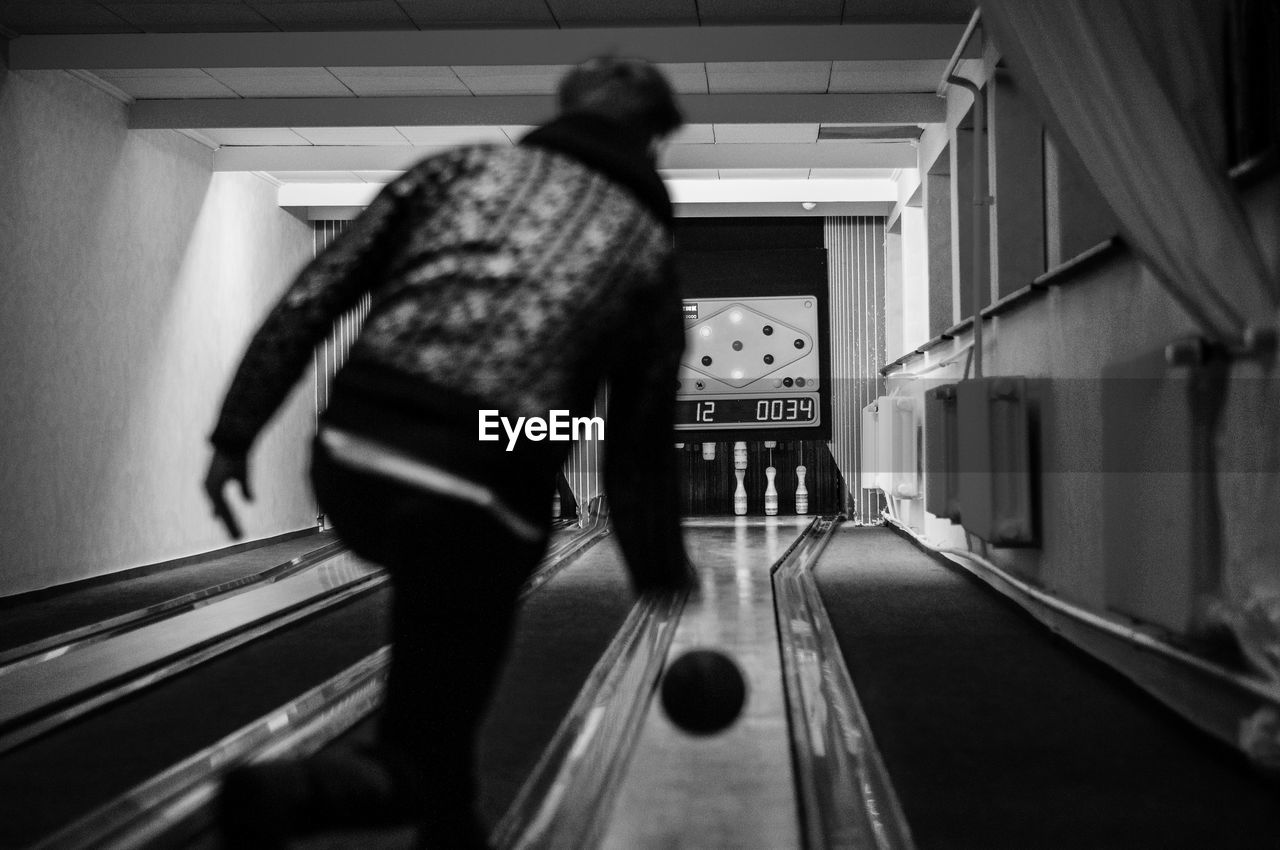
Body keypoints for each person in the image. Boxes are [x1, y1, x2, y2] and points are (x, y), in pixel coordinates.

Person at [203, 56, 694, 849]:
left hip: (354, 453)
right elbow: (639, 429)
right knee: (431, 717)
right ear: (648, 141)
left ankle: (452, 827)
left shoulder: (457, 167)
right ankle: (301, 793)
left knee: (441, 683)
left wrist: (235, 434)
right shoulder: (644, 246)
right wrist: (656, 567)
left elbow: (313, 295)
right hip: (481, 492)